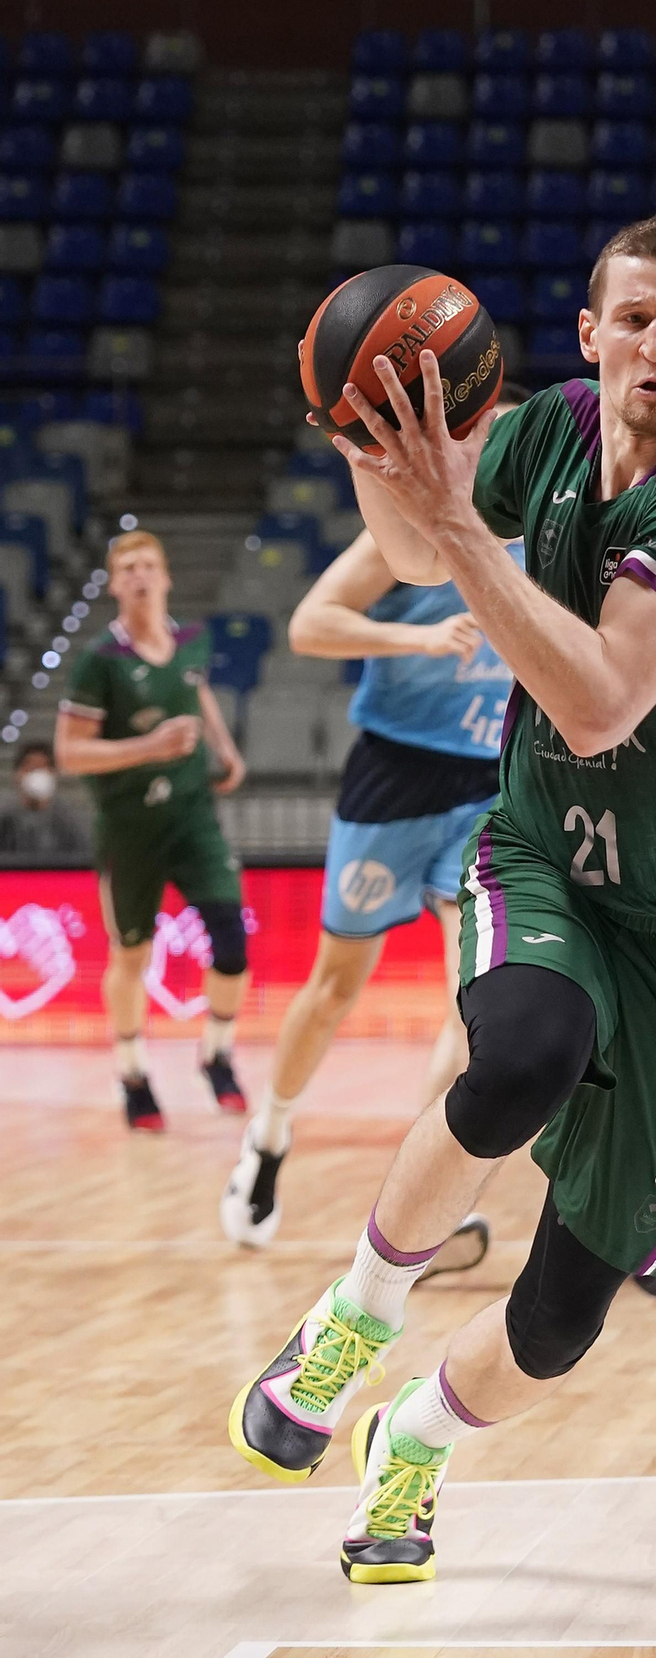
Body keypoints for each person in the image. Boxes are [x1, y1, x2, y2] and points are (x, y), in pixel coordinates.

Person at [229, 214, 656, 1586]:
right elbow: (422, 556)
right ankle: (354, 1320)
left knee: (561, 1313)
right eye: (635, 318)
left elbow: (601, 698)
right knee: (523, 1053)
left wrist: (453, 522)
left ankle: (411, 1443)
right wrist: (384, 457)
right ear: (592, 331)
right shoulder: (546, 429)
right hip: (544, 847)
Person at [219, 507, 525, 1266]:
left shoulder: (551, 534)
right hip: (394, 775)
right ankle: (269, 1137)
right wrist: (416, 637)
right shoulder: (412, 532)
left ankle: (425, 1208)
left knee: (475, 992)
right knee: (333, 989)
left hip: (488, 785)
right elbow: (309, 624)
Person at [55, 529, 249, 1132]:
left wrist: (223, 748)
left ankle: (216, 1055)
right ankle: (133, 1071)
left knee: (232, 944)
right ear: (114, 585)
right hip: (129, 828)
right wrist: (150, 745)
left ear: (165, 577)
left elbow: (198, 692)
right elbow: (69, 753)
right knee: (131, 953)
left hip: (192, 817)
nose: (139, 575)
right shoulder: (99, 662)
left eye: (148, 565)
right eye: (128, 568)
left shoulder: (192, 640)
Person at [0, 742, 92, 860]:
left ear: (54, 774)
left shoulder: (69, 821)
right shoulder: (4, 818)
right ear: (17, 774)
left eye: (43, 768)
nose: (37, 774)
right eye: (31, 768)